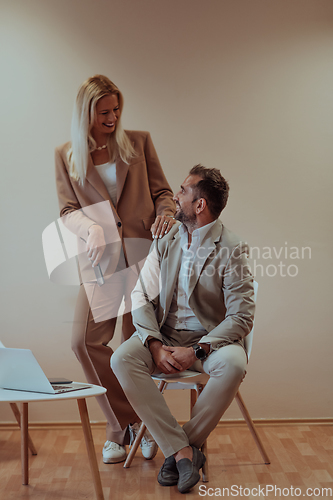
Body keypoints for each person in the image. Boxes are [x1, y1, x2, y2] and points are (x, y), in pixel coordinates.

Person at [55, 75, 176, 464]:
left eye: (116, 108)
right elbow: (67, 211)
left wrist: (167, 214)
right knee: (83, 342)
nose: (113, 116)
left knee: (135, 344)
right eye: (104, 111)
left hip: (143, 255)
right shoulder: (66, 155)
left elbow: (162, 192)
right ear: (86, 113)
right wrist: (89, 227)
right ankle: (128, 423)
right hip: (101, 261)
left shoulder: (137, 142)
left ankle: (131, 429)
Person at [111, 165, 255, 493]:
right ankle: (184, 451)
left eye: (183, 190)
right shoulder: (167, 238)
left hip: (210, 341)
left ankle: (178, 448)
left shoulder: (232, 248)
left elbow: (241, 316)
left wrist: (198, 349)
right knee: (121, 359)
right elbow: (142, 296)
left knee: (235, 363)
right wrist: (153, 345)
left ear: (199, 204)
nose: (175, 196)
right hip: (163, 335)